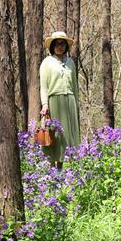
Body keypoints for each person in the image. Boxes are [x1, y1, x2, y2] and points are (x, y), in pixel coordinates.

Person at [39, 30, 81, 169]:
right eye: (56, 44)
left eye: (62, 44)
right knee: (54, 136)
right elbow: (43, 86)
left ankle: (61, 170)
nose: (60, 46)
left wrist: (76, 104)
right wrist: (45, 104)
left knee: (66, 136)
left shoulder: (70, 63)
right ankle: (51, 171)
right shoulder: (47, 62)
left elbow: (74, 85)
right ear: (52, 46)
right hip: (54, 101)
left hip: (69, 101)